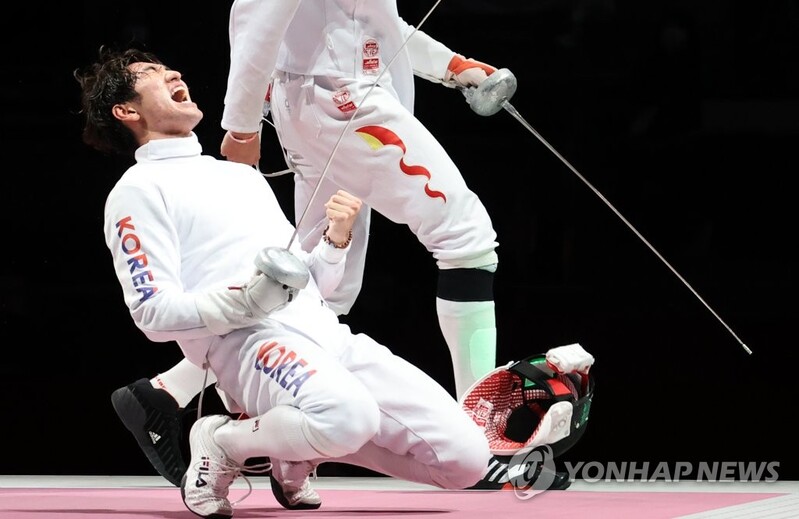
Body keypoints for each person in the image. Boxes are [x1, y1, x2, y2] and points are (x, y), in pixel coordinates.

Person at [110, 0, 518, 490]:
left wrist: (451, 67)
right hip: (340, 101)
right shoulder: (141, 188)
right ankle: (489, 433)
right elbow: (258, 20)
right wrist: (240, 125)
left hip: (335, 100)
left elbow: (377, 26)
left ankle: (177, 396)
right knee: (465, 238)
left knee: (319, 288)